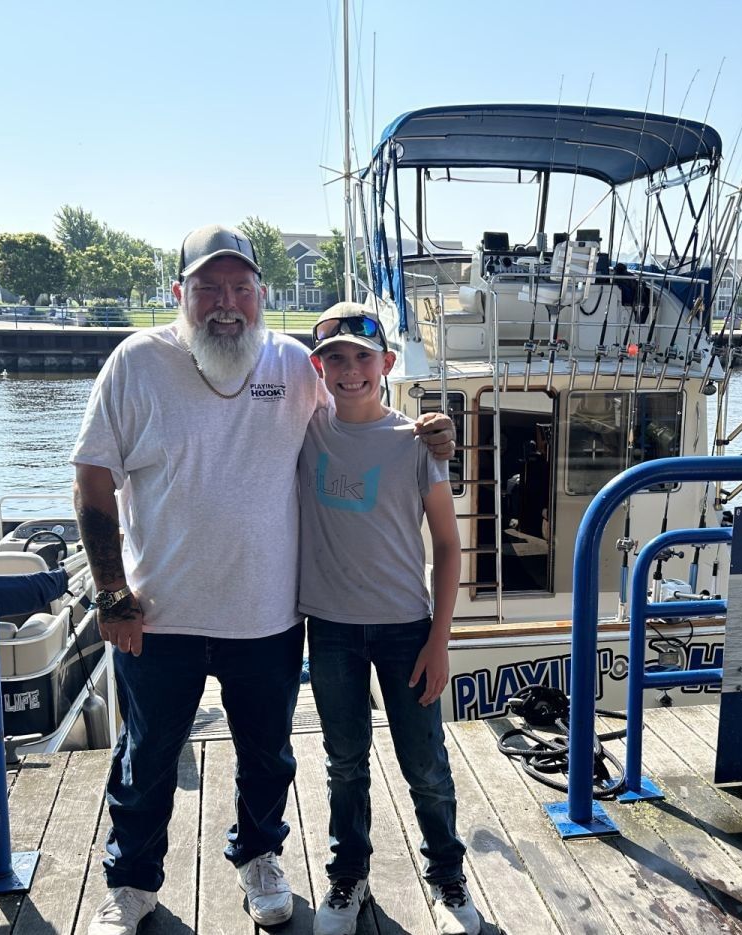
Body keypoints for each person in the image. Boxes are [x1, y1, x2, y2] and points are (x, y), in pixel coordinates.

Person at [71, 227, 453, 935]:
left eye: (240, 288)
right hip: (160, 614)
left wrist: (431, 430)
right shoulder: (134, 362)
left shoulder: (296, 365)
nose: (226, 304)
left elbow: (361, 411)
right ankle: (130, 882)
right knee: (146, 757)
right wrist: (110, 592)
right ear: (180, 293)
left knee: (267, 755)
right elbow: (93, 483)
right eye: (209, 288)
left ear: (262, 297)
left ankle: (260, 857)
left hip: (269, 614)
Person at [299, 303, 481, 935]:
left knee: (425, 764)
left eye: (363, 358)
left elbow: (450, 545)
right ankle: (348, 874)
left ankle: (447, 877)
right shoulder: (302, 429)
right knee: (343, 760)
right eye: (336, 359)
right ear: (318, 367)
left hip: (406, 626)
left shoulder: (417, 444)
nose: (350, 371)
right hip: (330, 628)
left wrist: (440, 640)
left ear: (387, 365)